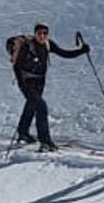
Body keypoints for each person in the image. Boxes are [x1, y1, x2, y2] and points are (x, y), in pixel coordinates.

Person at [5, 23, 88, 151]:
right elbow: (17, 67)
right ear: (35, 33)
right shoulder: (27, 46)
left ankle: (23, 132)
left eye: (45, 33)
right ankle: (45, 142)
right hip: (28, 83)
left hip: (39, 82)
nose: (42, 36)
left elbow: (64, 53)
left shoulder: (48, 44)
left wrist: (81, 51)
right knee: (41, 107)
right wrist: (22, 85)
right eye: (39, 33)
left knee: (31, 106)